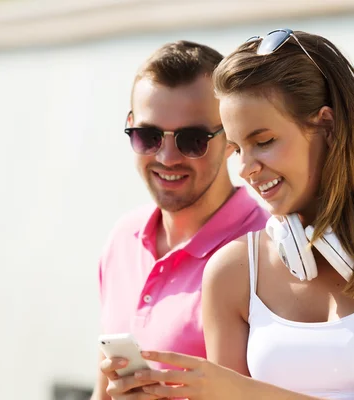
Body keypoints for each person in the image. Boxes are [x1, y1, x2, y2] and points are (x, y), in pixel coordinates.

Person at [129, 29, 354, 400]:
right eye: (237, 148)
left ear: (328, 125)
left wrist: (244, 392)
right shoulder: (232, 272)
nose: (245, 168)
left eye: (263, 142)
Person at [90, 40, 270, 400]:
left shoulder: (268, 248)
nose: (168, 157)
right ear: (129, 127)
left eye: (193, 139)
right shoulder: (123, 240)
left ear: (231, 136)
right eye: (148, 136)